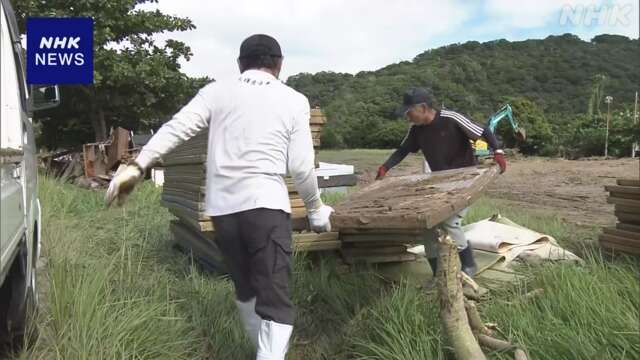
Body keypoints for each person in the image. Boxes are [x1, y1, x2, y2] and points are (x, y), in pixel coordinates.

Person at [105, 34, 333, 360]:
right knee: (276, 300)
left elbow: (177, 128)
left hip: (223, 211)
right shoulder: (294, 99)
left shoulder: (216, 92)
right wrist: (315, 208)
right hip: (265, 207)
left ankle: (262, 352)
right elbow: (300, 165)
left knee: (247, 291)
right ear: (279, 64)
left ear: (240, 64)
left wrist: (138, 165)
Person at [375, 87, 507, 277]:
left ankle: (468, 266)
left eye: (409, 112)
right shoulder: (416, 131)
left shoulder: (450, 118)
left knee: (450, 221)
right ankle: (438, 274)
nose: (407, 117)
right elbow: (402, 150)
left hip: (467, 180)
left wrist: (498, 152)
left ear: (422, 107)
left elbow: (483, 130)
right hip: (440, 183)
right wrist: (385, 167)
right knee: (427, 226)